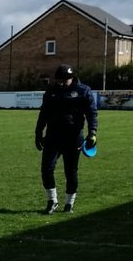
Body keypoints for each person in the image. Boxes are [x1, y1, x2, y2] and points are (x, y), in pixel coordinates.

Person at [35, 64, 97, 214]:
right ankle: (52, 201)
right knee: (46, 169)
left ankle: (69, 203)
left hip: (73, 138)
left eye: (64, 80)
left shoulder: (83, 91)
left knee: (71, 171)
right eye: (59, 80)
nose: (61, 83)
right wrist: (38, 133)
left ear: (71, 78)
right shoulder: (51, 91)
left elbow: (92, 113)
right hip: (53, 137)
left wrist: (92, 133)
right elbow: (44, 113)